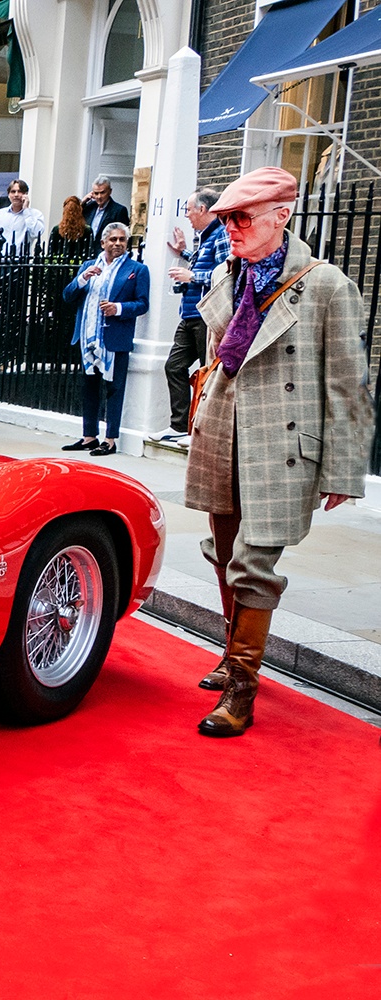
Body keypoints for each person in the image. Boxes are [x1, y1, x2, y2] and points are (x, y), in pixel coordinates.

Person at [185, 167, 373, 738]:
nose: (232, 230)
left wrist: (342, 468)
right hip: (224, 427)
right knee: (222, 552)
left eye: (243, 218)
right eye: (226, 220)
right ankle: (229, 653)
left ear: (282, 216)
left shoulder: (327, 285)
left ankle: (243, 687)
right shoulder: (230, 275)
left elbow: (349, 384)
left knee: (253, 564)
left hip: (282, 443)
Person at [60, 222, 148, 457]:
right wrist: (82, 279)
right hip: (88, 337)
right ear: (103, 242)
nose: (118, 244)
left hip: (114, 337)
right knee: (89, 387)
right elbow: (68, 296)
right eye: (113, 239)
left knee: (114, 388)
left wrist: (117, 308)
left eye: (122, 240)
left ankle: (110, 439)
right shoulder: (90, 266)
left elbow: (142, 304)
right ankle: (89, 436)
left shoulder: (136, 270)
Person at [154, 187, 230, 444]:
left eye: (189, 210)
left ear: (203, 209)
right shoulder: (206, 237)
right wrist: (185, 253)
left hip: (205, 315)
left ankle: (199, 429)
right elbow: (205, 264)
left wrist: (192, 276)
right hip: (189, 314)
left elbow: (229, 275)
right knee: (173, 366)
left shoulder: (220, 235)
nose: (187, 215)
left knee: (206, 373)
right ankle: (179, 426)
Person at [0, 179, 47, 267]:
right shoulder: (0, 214)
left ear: (26, 194)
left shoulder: (35, 214)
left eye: (20, 192)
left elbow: (36, 233)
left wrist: (26, 210)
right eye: (13, 192)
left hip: (21, 264)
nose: (16, 195)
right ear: (8, 195)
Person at [83, 175, 131, 243]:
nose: (99, 196)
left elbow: (123, 235)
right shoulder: (89, 207)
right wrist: (83, 202)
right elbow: (73, 218)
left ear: (110, 191)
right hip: (87, 250)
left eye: (102, 193)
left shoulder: (119, 210)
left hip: (106, 251)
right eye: (96, 193)